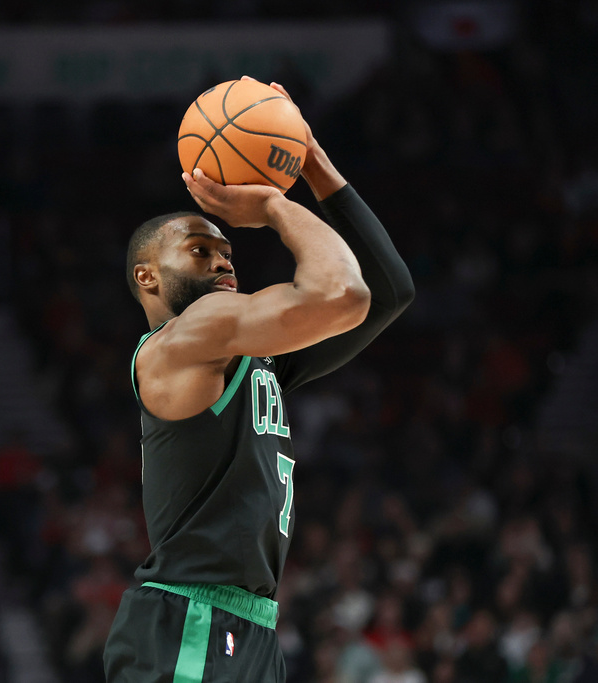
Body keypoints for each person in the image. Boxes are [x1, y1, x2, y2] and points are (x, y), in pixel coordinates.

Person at [103, 78, 415, 683]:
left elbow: (390, 290)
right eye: (200, 249)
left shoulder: (250, 361)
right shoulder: (185, 339)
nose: (224, 259)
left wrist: (314, 161)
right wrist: (272, 204)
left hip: (249, 624)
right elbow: (343, 292)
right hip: (190, 619)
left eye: (228, 249)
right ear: (147, 278)